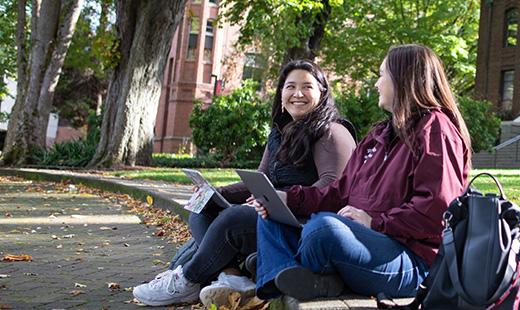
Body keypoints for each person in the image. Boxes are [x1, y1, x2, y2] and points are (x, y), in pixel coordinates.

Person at [249, 44, 471, 304]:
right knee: (271, 216)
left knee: (323, 229)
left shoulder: (436, 130)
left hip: (411, 259)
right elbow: (339, 193)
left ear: (403, 78)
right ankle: (296, 274)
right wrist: (287, 199)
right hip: (363, 242)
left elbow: (438, 211)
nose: (377, 84)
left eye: (381, 75)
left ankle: (281, 267)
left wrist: (374, 222)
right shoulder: (378, 135)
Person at [132, 60, 357, 307]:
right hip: (273, 215)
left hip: (303, 226)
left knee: (234, 219)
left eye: (307, 87)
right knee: (202, 208)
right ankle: (233, 276)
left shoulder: (332, 132)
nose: (298, 94)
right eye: (290, 86)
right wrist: (215, 192)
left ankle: (187, 280)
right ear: (281, 94)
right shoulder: (281, 133)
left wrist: (278, 199)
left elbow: (332, 187)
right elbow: (261, 180)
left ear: (322, 93)